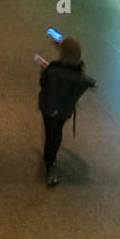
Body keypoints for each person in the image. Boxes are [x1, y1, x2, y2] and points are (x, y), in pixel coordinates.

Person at [35, 35, 96, 187]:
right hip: (64, 110)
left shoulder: (53, 69)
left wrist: (44, 69)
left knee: (50, 133)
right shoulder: (79, 71)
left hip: (48, 107)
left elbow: (43, 83)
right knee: (57, 131)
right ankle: (51, 157)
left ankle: (50, 164)